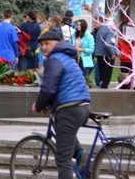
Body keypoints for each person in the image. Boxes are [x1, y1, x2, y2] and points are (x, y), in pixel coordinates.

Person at [32, 30, 91, 179]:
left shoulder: (54, 60)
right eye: (42, 44)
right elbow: (61, 86)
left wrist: (38, 106)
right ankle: (81, 155)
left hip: (69, 109)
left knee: (63, 159)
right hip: (83, 106)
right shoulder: (68, 57)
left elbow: (48, 88)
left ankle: (81, 158)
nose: (44, 47)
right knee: (65, 135)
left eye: (47, 43)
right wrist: (47, 106)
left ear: (57, 43)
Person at [92, 14, 117, 89]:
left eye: (95, 22)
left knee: (101, 73)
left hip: (99, 54)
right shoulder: (109, 30)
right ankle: (104, 89)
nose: (94, 24)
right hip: (107, 55)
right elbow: (108, 43)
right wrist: (112, 53)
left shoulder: (99, 31)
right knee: (107, 74)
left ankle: (101, 86)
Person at [75, 20, 95, 84]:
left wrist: (80, 49)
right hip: (75, 58)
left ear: (84, 26)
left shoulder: (89, 36)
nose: (78, 26)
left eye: (80, 25)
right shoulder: (74, 35)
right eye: (77, 25)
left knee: (84, 78)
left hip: (84, 60)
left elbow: (91, 50)